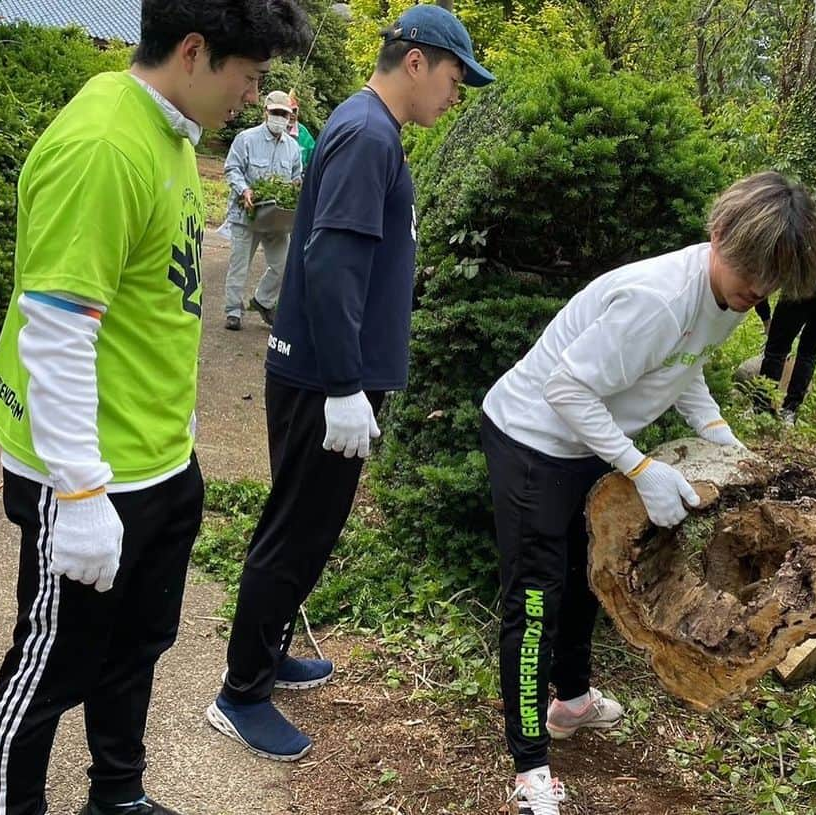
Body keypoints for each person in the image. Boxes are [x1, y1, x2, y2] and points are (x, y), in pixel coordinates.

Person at [0, 1, 310, 813]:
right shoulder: (104, 144)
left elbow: (156, 304)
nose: (252, 95)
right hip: (90, 475)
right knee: (49, 666)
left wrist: (183, 433)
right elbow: (56, 333)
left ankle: (118, 797)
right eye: (250, 76)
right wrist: (83, 492)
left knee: (136, 649)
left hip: (158, 458)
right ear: (195, 51)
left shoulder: (168, 134)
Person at [479, 171, 816, 815]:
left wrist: (721, 439)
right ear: (717, 233)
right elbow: (566, 389)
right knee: (535, 599)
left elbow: (680, 368)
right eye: (751, 270)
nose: (758, 290)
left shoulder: (728, 298)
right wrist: (638, 467)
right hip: (533, 439)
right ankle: (529, 768)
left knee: (591, 578)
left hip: (587, 441)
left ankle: (571, 701)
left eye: (772, 278)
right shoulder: (659, 300)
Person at [205, 3, 494, 762]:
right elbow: (332, 263)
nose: (455, 95)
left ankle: (263, 658)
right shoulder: (368, 134)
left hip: (331, 373)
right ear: (417, 61)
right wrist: (341, 384)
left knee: (308, 528)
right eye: (456, 78)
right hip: (322, 379)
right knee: (295, 532)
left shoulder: (370, 129)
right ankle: (239, 692)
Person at [222, 90, 303, 330]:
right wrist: (244, 190)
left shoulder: (292, 147)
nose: (281, 118)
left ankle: (263, 301)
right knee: (239, 265)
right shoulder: (246, 139)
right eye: (276, 113)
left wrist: (297, 185)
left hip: (276, 218)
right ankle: (233, 311)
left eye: (285, 114)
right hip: (246, 214)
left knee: (284, 264)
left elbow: (297, 175)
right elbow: (232, 168)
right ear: (265, 112)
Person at [754, 251, 816, 424]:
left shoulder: (766, 260)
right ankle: (790, 411)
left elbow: (759, 294)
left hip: (810, 279)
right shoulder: (796, 248)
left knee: (776, 349)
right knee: (809, 349)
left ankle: (760, 410)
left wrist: (767, 321)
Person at [287, 90, 316, 169]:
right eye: (289, 111)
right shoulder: (275, 130)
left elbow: (313, 157)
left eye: (294, 111)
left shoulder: (303, 133)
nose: (292, 115)